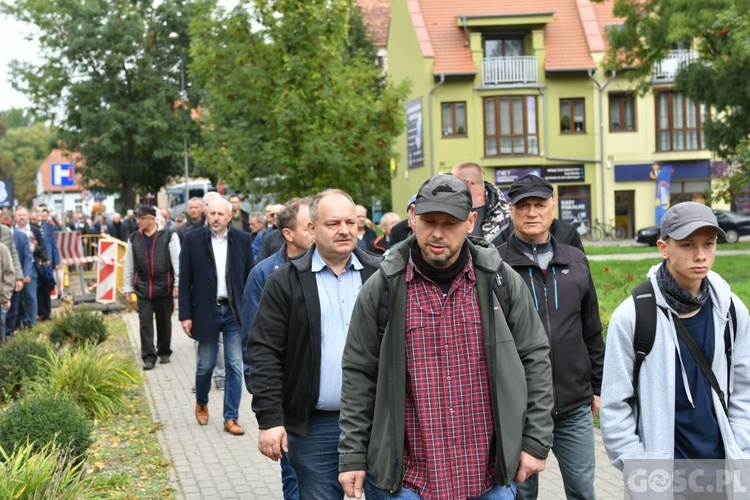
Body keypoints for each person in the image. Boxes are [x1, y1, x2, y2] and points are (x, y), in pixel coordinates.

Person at [338, 174, 554, 500]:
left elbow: (535, 358)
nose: (437, 233)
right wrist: (353, 455)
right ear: (413, 218)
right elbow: (358, 374)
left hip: (489, 477)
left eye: (450, 222)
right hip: (410, 481)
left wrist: (535, 441)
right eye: (428, 221)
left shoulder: (500, 281)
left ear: (470, 222)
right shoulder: (382, 287)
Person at [248, 189, 383, 500]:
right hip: (315, 427)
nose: (345, 230)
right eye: (333, 223)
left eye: (351, 222)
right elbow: (264, 350)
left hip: (379, 424)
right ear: (311, 229)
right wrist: (269, 419)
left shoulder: (382, 275)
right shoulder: (286, 282)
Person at [601, 202, 750, 477]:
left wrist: (740, 445)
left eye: (709, 244)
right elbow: (614, 405)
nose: (701, 255)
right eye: (688, 245)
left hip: (726, 472)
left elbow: (745, 386)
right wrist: (640, 467)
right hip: (661, 480)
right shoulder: (633, 316)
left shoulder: (731, 309)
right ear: (663, 248)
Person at [497, 174, 603, 499]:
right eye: (523, 206)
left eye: (539, 204)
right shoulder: (494, 265)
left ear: (552, 207)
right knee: (522, 495)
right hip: (519, 410)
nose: (532, 212)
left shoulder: (575, 260)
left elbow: (592, 331)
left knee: (583, 492)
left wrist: (598, 388)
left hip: (573, 405)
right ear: (511, 211)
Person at [241, 197, 314, 500]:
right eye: (310, 226)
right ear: (288, 233)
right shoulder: (265, 274)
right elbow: (256, 343)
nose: (317, 231)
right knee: (295, 476)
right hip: (288, 397)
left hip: (329, 398)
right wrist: (269, 408)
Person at [179, 198, 254, 435]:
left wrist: (251, 311)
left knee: (234, 364)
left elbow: (250, 278)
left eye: (220, 214)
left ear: (230, 216)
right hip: (205, 311)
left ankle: (231, 417)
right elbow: (184, 279)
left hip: (233, 312)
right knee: (206, 365)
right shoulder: (192, 239)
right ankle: (202, 401)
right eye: (212, 213)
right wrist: (185, 315)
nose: (215, 218)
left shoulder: (242, 240)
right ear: (206, 214)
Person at [123, 205, 181, 370]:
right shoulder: (133, 238)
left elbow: (177, 263)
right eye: (137, 218)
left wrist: (177, 284)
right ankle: (148, 356)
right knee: (145, 324)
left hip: (164, 287)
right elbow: (129, 265)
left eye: (141, 218)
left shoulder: (169, 236)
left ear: (151, 219)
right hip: (142, 289)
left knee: (164, 322)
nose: (138, 221)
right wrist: (127, 287)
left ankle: (164, 351)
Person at [451, 161, 511, 245]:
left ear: (467, 184)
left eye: (453, 181)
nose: (449, 186)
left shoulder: (507, 216)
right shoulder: (449, 210)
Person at [2, 210, 32, 338]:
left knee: (11, 308)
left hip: (5, 276)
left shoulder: (5, 232)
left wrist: (19, 277)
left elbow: (14, 255)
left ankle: (8, 335)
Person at [14, 206, 44, 329]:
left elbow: (42, 247)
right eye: (19, 215)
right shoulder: (11, 231)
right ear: (15, 217)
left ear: (28, 216)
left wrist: (35, 249)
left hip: (30, 266)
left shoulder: (34, 230)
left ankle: (32, 322)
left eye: (24, 215)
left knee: (31, 295)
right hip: (16, 267)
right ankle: (22, 321)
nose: (21, 217)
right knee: (18, 298)